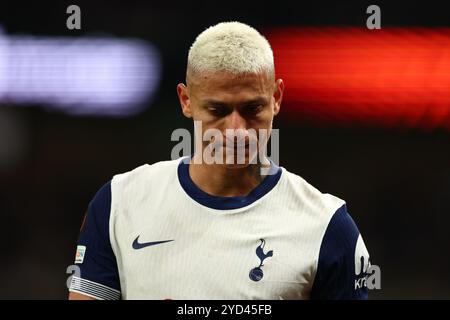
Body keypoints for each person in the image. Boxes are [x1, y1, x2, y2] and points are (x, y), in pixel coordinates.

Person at [68, 21, 370, 300]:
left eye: (252, 108)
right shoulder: (119, 204)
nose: (236, 130)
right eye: (218, 110)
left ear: (277, 97)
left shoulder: (327, 226)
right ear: (186, 101)